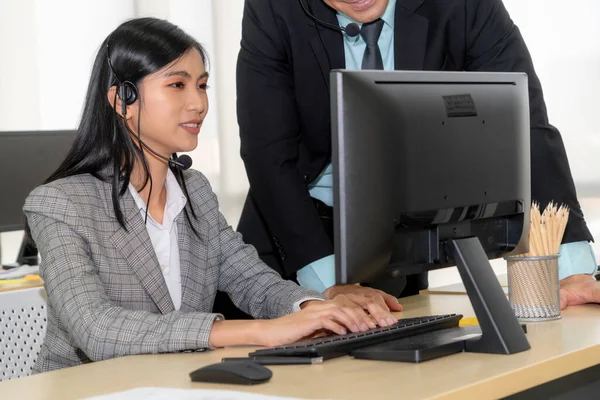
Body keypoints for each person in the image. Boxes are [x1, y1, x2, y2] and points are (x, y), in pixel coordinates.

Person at [23, 17, 402, 373]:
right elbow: (97, 328)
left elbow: (252, 280)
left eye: (202, 85)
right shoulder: (60, 204)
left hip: (173, 383)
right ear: (123, 100)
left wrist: (319, 308)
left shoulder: (195, 190)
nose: (198, 104)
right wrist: (258, 332)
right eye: (177, 85)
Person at [231, 0, 600, 312]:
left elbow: (524, 124)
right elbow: (269, 152)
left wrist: (570, 265)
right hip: (292, 239)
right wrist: (329, 285)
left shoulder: (462, 5)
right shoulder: (274, 8)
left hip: (395, 242)